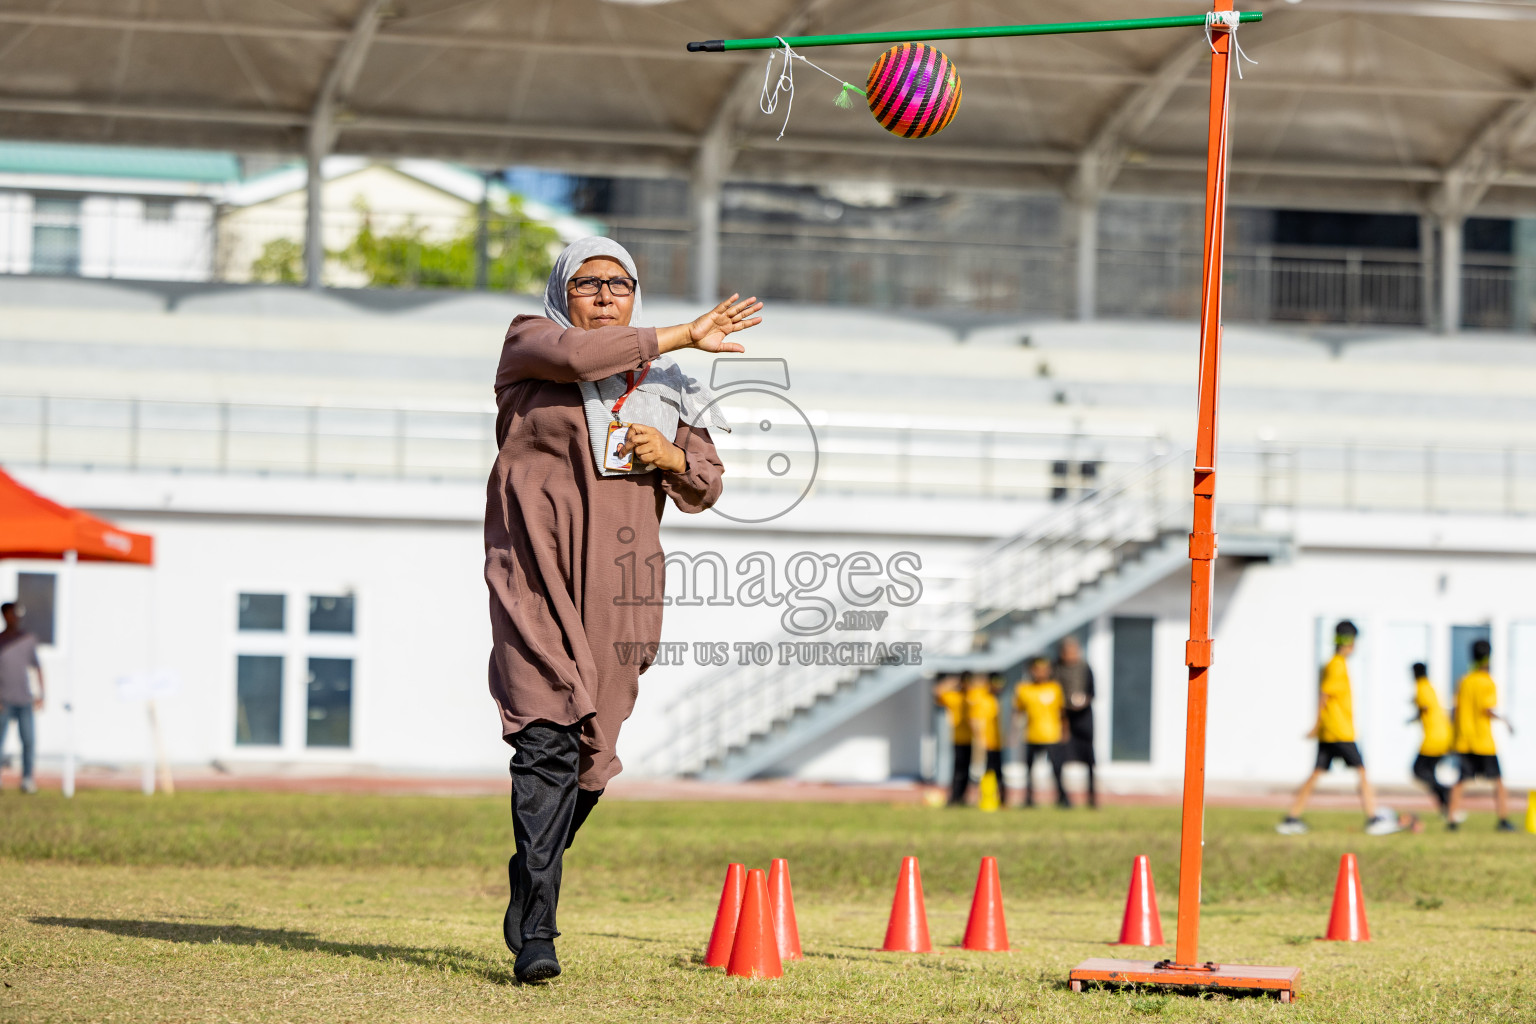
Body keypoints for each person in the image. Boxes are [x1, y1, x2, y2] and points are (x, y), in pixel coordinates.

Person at [485, 237, 762, 982]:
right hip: (536, 579)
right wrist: (687, 331)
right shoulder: (530, 345)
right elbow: (581, 361)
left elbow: (708, 485)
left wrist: (669, 458)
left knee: (590, 759)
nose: (606, 295)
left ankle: (529, 877)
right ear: (562, 293)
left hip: (624, 590)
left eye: (620, 284)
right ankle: (538, 934)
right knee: (542, 741)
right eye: (589, 283)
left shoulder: (668, 381)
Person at [1277, 620, 1401, 836]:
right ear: (1349, 642)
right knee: (1362, 772)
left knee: (1316, 774)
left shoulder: (1334, 663)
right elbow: (1324, 695)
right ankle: (1373, 818)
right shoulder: (1336, 665)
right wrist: (1316, 725)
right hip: (1339, 731)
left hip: (1331, 730)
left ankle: (1291, 818)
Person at [1447, 639, 1515, 832]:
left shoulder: (1464, 681)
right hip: (1483, 741)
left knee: (1460, 781)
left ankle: (1452, 819)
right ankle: (1503, 819)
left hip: (1464, 740)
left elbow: (1455, 710)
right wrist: (1505, 721)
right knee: (1498, 781)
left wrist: (1453, 736)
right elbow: (1487, 709)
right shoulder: (1488, 682)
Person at [0, 601, 44, 795]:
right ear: (4, 615)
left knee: (28, 740)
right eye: (11, 613)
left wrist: (41, 694)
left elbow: (37, 666)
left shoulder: (28, 639)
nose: (15, 617)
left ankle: (27, 779)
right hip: (3, 700)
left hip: (24, 698)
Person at [1012, 657, 1066, 808]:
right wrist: (1013, 734)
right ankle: (1029, 799)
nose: (1041, 673)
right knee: (1029, 769)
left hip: (1052, 734)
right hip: (1032, 734)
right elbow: (1017, 712)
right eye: (1037, 669)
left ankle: (1063, 798)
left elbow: (1062, 712)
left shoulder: (1055, 688)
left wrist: (1064, 732)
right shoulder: (1024, 689)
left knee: (1057, 768)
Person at [1054, 635, 1097, 808]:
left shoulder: (1085, 668)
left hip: (1084, 718)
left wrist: (1082, 701)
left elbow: (1093, 691)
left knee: (1089, 758)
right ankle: (1063, 797)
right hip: (1064, 718)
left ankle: (1092, 798)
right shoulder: (1056, 668)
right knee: (1059, 758)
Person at [1407, 662, 1453, 820]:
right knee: (1430, 773)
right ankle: (1446, 807)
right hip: (1444, 735)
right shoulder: (1429, 686)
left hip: (1433, 738)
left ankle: (1446, 791)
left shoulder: (1420, 686)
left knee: (1418, 770)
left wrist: (1415, 715)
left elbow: (1425, 707)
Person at [967, 672, 1007, 808]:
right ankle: (986, 800)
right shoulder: (981, 698)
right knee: (986, 773)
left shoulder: (994, 699)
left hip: (996, 742)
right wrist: (980, 740)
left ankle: (1001, 800)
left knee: (998, 772)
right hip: (986, 743)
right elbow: (975, 720)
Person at [933, 674, 972, 807]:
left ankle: (963, 797)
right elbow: (937, 692)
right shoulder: (954, 697)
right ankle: (954, 797)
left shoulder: (973, 697)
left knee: (967, 771)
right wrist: (952, 682)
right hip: (958, 738)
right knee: (958, 770)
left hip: (971, 738)